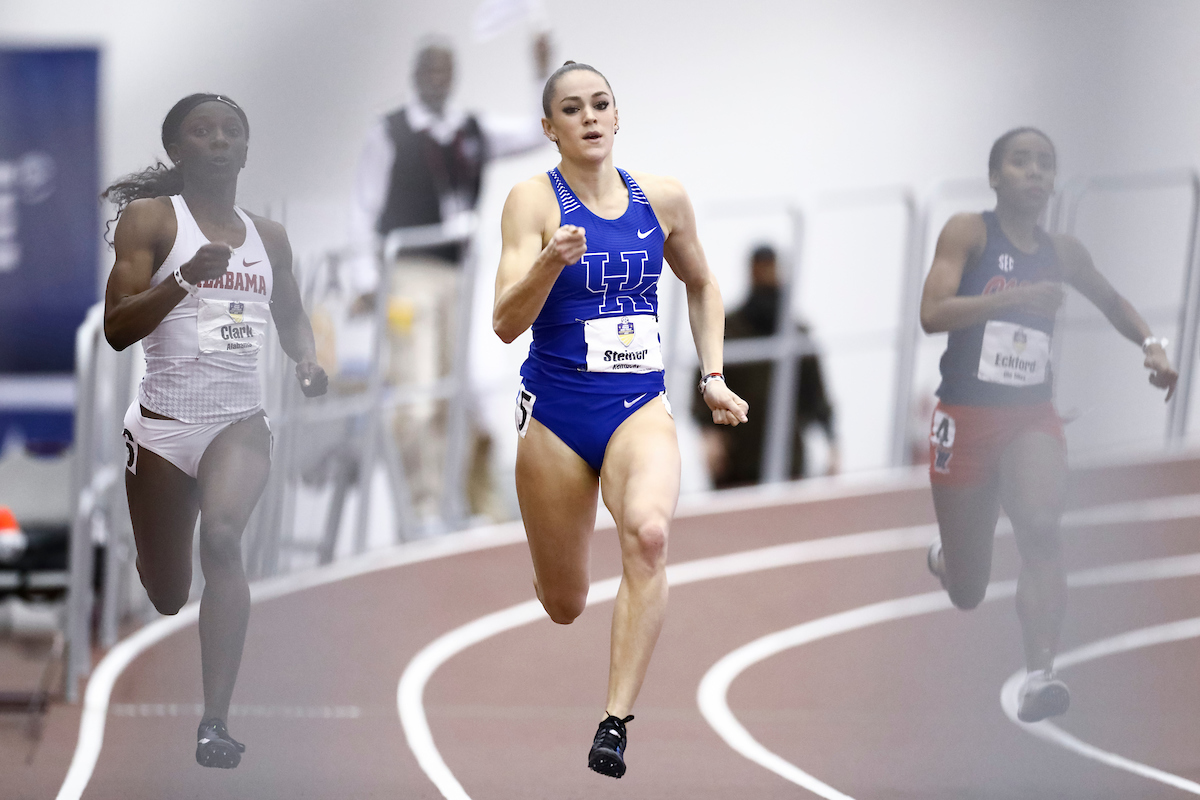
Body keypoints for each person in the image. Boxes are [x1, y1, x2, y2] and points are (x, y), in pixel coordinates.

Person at [493, 61, 748, 778]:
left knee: (650, 535)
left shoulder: (661, 198)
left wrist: (713, 374)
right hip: (557, 414)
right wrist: (548, 263)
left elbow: (702, 282)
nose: (589, 117)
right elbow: (505, 323)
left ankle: (614, 723)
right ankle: (552, 575)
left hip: (638, 404)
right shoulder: (531, 201)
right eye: (572, 109)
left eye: (600, 104)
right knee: (565, 603)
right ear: (551, 128)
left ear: (616, 115)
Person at [920, 127, 1177, 723]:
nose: (1034, 172)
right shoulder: (968, 232)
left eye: (1045, 163)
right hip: (965, 417)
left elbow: (1112, 302)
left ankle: (1041, 675)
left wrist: (1152, 346)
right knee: (968, 590)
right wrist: (1013, 300)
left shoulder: (1064, 252)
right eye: (1021, 161)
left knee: (1040, 525)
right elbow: (932, 313)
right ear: (995, 176)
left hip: (1030, 416)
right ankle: (950, 557)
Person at [101, 93, 328, 768]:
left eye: (232, 132)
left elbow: (292, 316)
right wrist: (182, 280)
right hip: (163, 431)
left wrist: (306, 360)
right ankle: (154, 562)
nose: (220, 141)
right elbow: (117, 328)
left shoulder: (269, 237)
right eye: (203, 131)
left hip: (239, 424)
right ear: (178, 149)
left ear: (247, 150)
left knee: (224, 539)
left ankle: (215, 723)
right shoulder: (151, 220)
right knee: (168, 594)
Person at [345, 34, 554, 525]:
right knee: (417, 392)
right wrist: (366, 279)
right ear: (416, 76)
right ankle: (423, 507)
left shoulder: (470, 130)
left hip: (458, 276)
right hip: (407, 273)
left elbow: (536, 130)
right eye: (430, 70)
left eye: (445, 70)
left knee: (454, 390)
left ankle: (453, 501)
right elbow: (363, 207)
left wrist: (541, 73)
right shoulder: (390, 132)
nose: (437, 79)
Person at [692, 244, 838, 487]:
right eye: (760, 269)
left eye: (770, 269)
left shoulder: (796, 333)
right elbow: (704, 382)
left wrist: (832, 444)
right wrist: (709, 437)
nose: (766, 276)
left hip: (788, 460)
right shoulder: (728, 331)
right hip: (737, 463)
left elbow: (816, 395)